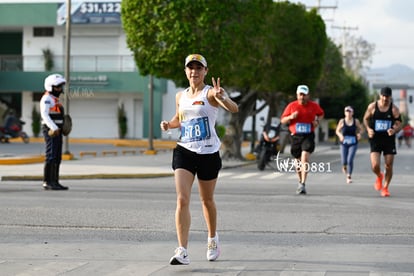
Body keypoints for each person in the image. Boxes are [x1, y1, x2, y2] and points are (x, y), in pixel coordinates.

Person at [160, 54, 238, 265]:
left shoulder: (211, 93)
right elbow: (180, 118)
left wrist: (223, 97)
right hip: (184, 151)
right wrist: (169, 124)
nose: (194, 71)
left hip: (208, 153)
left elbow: (234, 108)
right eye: (190, 68)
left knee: (206, 200)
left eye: (198, 68)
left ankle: (212, 239)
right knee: (182, 199)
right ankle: (182, 250)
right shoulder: (180, 96)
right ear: (185, 71)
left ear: (205, 71)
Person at [280, 85, 324, 195]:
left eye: (304, 95)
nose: (302, 97)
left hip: (308, 135)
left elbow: (321, 114)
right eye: (300, 94)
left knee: (304, 157)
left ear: (308, 95)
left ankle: (303, 183)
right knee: (297, 161)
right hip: (295, 136)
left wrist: (317, 121)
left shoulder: (313, 106)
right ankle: (300, 181)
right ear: (297, 95)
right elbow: (283, 120)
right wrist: (291, 117)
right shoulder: (291, 106)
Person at [363, 86, 402, 197]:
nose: (385, 98)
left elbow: (399, 123)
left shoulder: (394, 109)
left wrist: (394, 129)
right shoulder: (372, 107)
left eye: (387, 96)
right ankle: (379, 175)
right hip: (375, 138)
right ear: (380, 95)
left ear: (390, 97)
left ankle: (385, 188)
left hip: (388, 140)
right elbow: (365, 119)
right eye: (383, 96)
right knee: (375, 165)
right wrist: (368, 129)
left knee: (388, 165)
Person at [40, 73, 69, 191]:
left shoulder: (55, 99)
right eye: (58, 87)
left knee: (57, 156)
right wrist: (54, 128)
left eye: (61, 87)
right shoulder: (46, 98)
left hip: (57, 131)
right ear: (50, 87)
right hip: (50, 130)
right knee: (51, 155)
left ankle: (55, 181)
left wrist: (62, 127)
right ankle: (47, 182)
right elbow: (45, 115)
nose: (60, 89)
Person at [335, 106, 363, 184]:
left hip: (353, 143)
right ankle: (344, 166)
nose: (348, 113)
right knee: (344, 161)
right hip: (344, 143)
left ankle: (349, 175)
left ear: (352, 113)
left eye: (350, 111)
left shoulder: (356, 121)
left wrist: (359, 134)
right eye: (347, 111)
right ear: (344, 113)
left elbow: (361, 129)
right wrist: (340, 136)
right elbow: (337, 131)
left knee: (350, 159)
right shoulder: (342, 121)